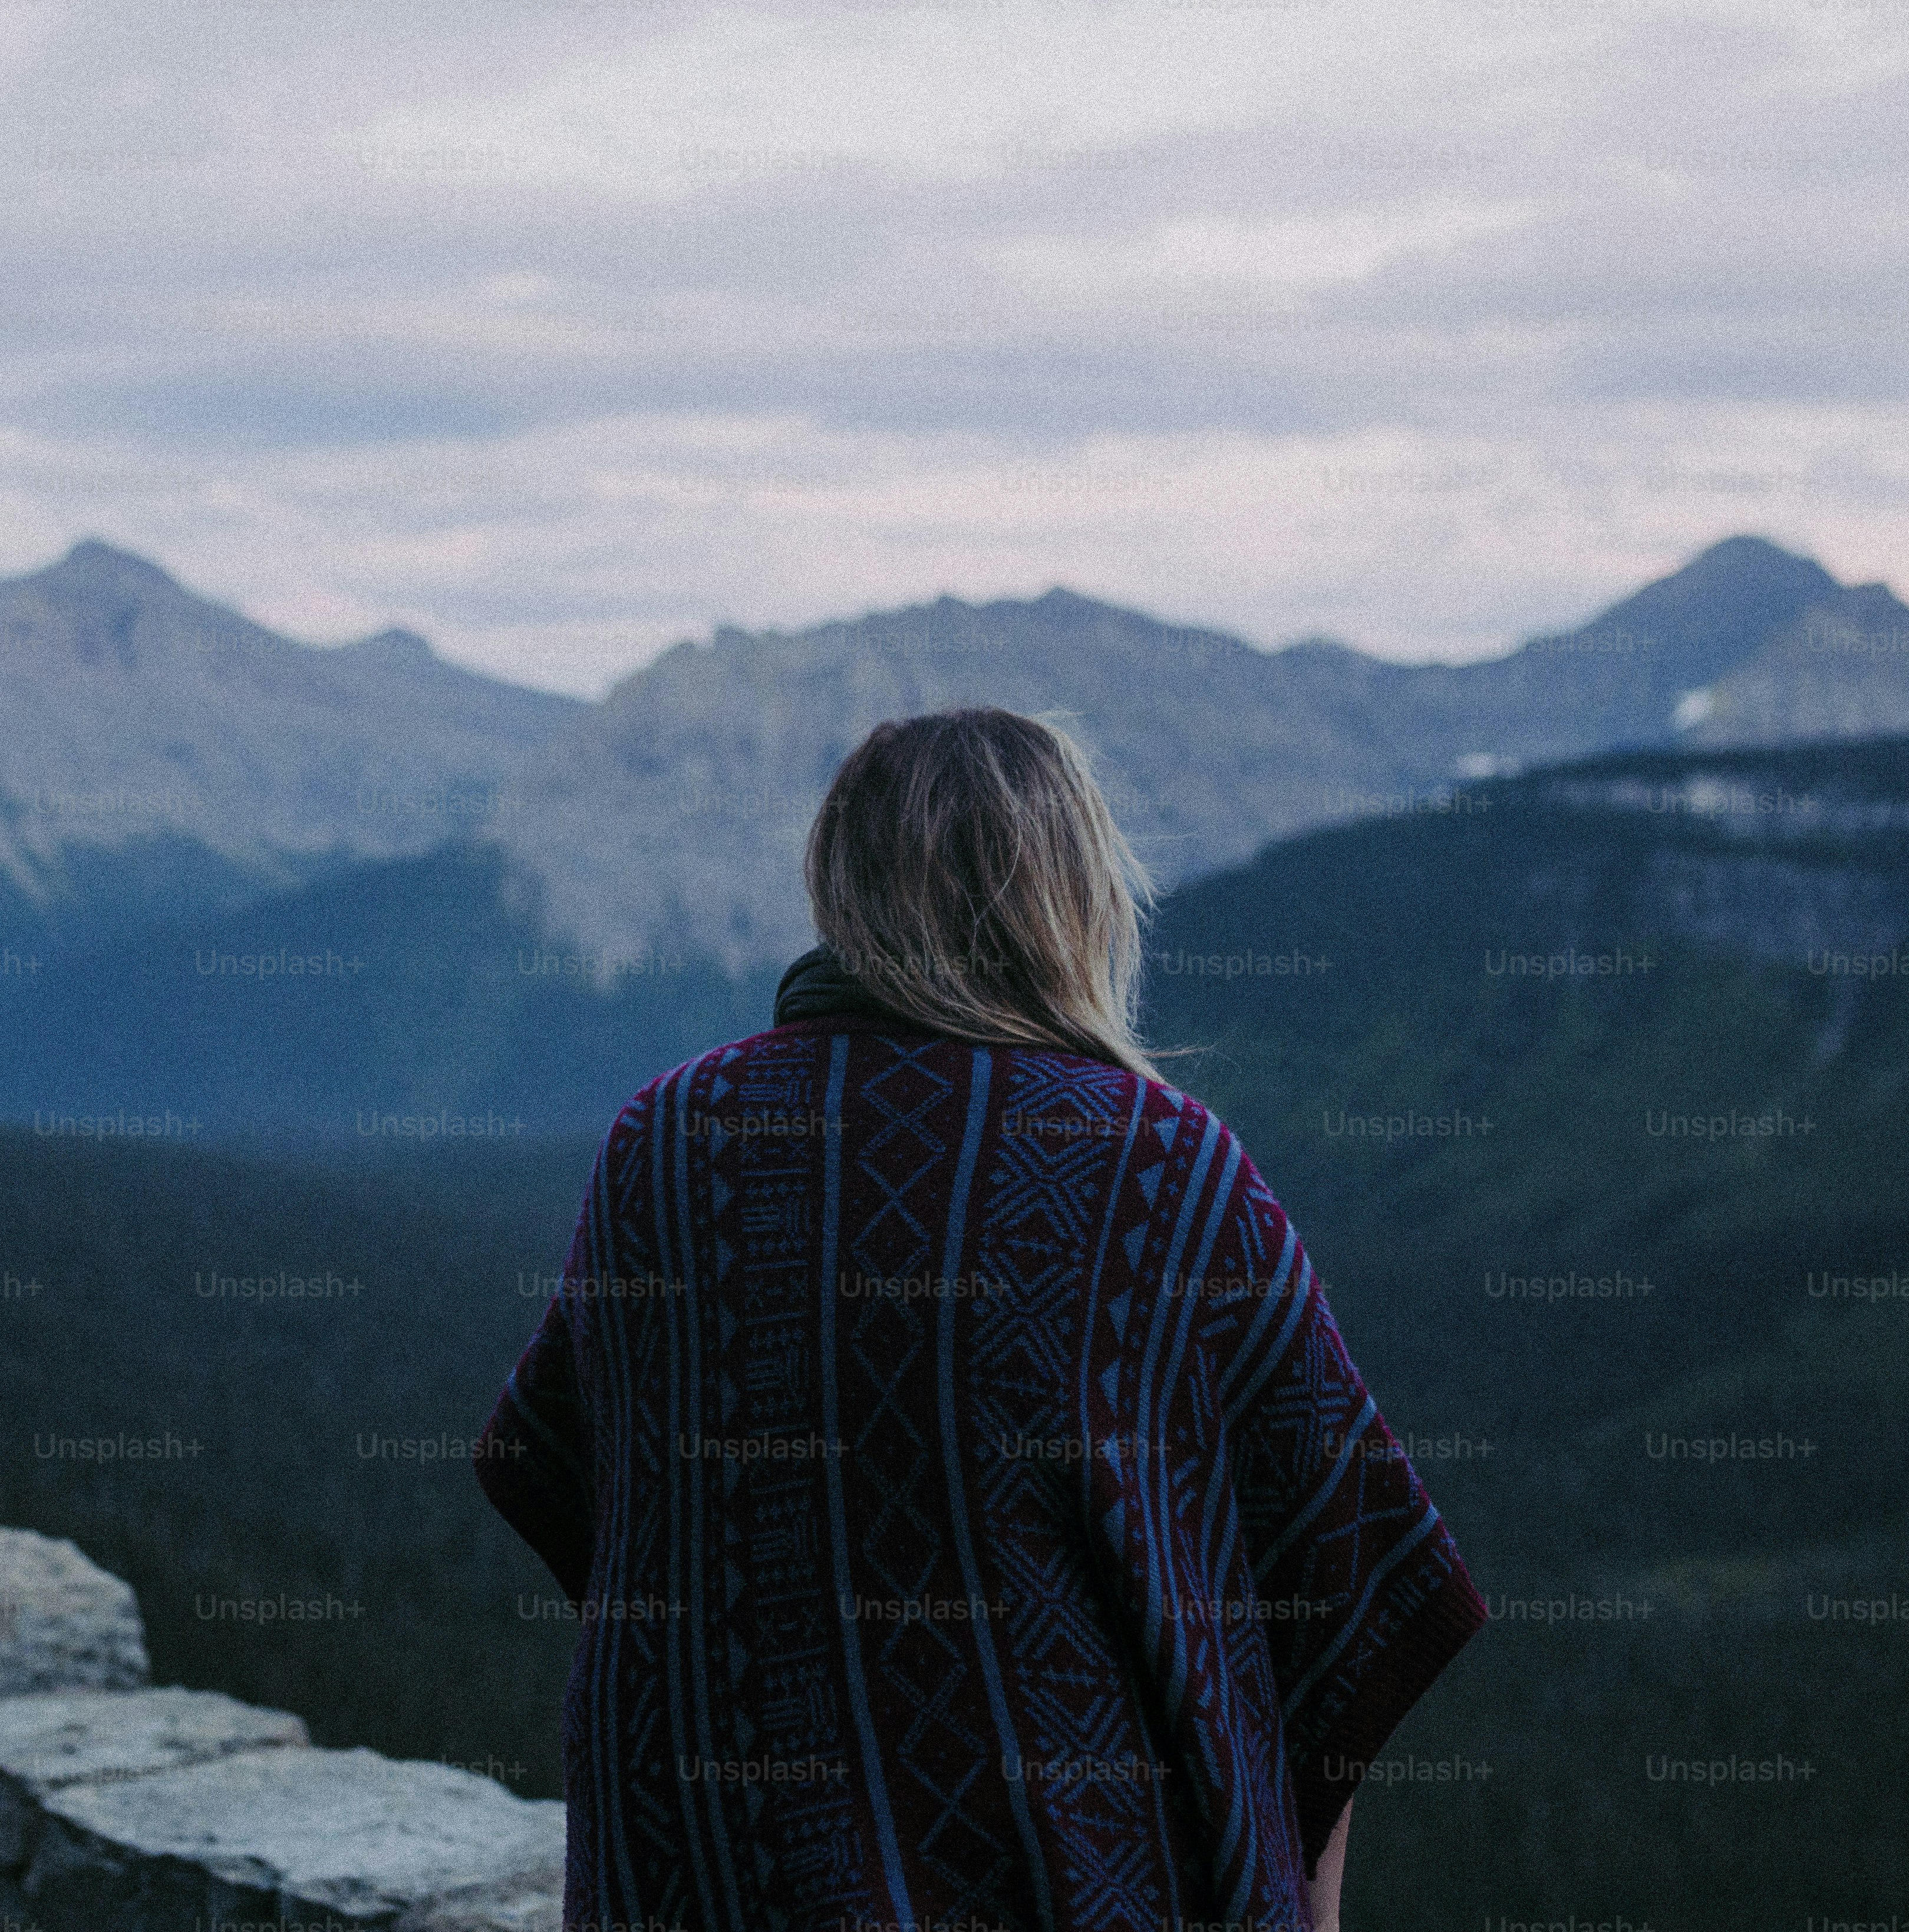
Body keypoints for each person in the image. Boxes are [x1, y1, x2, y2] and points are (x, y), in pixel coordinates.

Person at [474, 707, 1485, 1932]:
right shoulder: (1156, 1168)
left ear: (838, 887)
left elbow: (579, 1488)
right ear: (1077, 896)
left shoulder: (665, 1139)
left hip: (709, 1883)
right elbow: (1341, 1589)